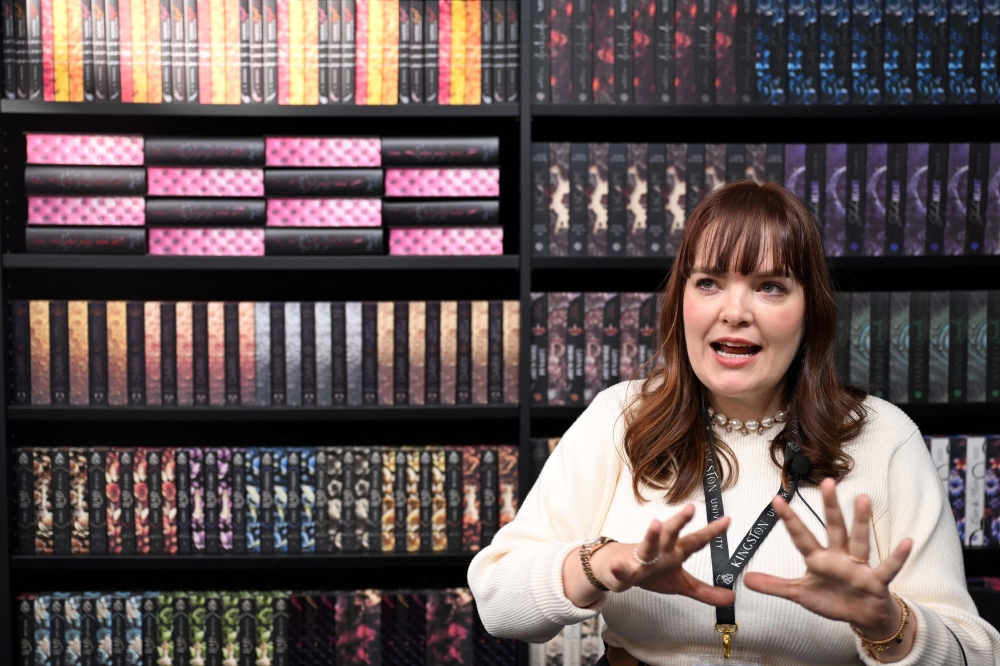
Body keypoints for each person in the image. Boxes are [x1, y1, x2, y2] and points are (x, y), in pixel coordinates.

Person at [468, 180, 1000, 665]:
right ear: (681, 302)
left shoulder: (884, 436)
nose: (735, 311)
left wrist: (888, 623)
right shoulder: (619, 417)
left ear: (810, 310)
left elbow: (976, 653)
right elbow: (497, 600)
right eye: (709, 282)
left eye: (770, 286)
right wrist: (601, 564)